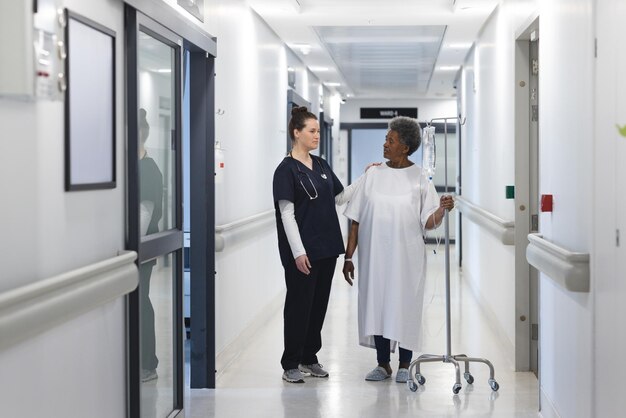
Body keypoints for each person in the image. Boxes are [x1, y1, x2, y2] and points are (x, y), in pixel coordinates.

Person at [342, 116, 455, 383]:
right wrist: (348, 257)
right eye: (385, 139)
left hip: (407, 257)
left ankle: (405, 364)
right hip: (375, 258)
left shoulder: (420, 179)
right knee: (377, 305)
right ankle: (383, 364)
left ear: (405, 147)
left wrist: (441, 209)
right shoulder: (373, 174)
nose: (385, 144)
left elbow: (428, 221)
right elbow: (355, 220)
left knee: (404, 305)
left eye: (390, 140)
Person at [273, 106, 364, 383]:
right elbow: (287, 215)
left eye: (317, 131)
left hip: (326, 248)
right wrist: (299, 252)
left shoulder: (321, 164)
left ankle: (309, 358)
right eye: (311, 131)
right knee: (299, 306)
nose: (316, 136)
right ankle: (290, 362)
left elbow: (339, 197)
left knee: (318, 306)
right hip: (303, 253)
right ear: (296, 132)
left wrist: (366, 177)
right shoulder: (285, 170)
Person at [138, 108, 163, 383]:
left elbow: (144, 215)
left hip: (142, 249)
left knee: (142, 302)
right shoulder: (128, 165)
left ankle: (148, 363)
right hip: (135, 250)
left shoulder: (150, 170)